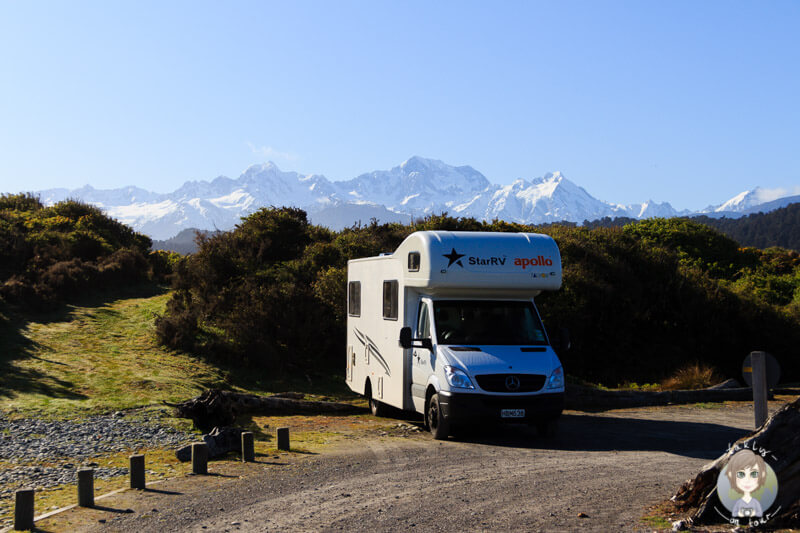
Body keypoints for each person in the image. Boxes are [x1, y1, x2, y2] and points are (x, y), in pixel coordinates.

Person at [726, 449, 767, 518]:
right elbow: (734, 513)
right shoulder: (739, 502)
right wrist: (739, 513)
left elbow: (759, 513)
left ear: (762, 475)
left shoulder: (755, 502)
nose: (747, 480)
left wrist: (753, 513)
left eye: (754, 474)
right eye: (741, 474)